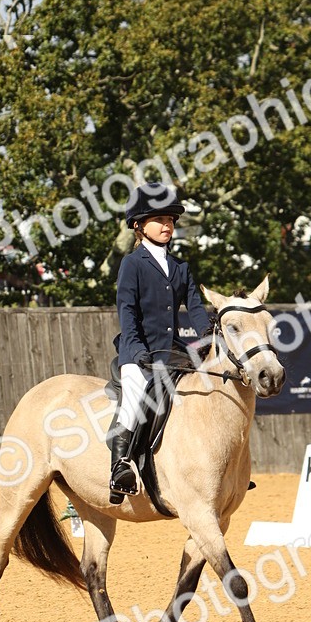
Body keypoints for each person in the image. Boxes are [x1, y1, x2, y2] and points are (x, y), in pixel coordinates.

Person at [109, 182, 214, 497]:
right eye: (160, 220)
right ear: (139, 226)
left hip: (172, 353)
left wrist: (208, 337)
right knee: (134, 394)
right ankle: (120, 466)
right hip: (137, 351)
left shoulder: (180, 267)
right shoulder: (132, 264)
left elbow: (195, 308)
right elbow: (126, 312)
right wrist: (138, 350)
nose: (168, 225)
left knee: (207, 391)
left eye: (171, 220)